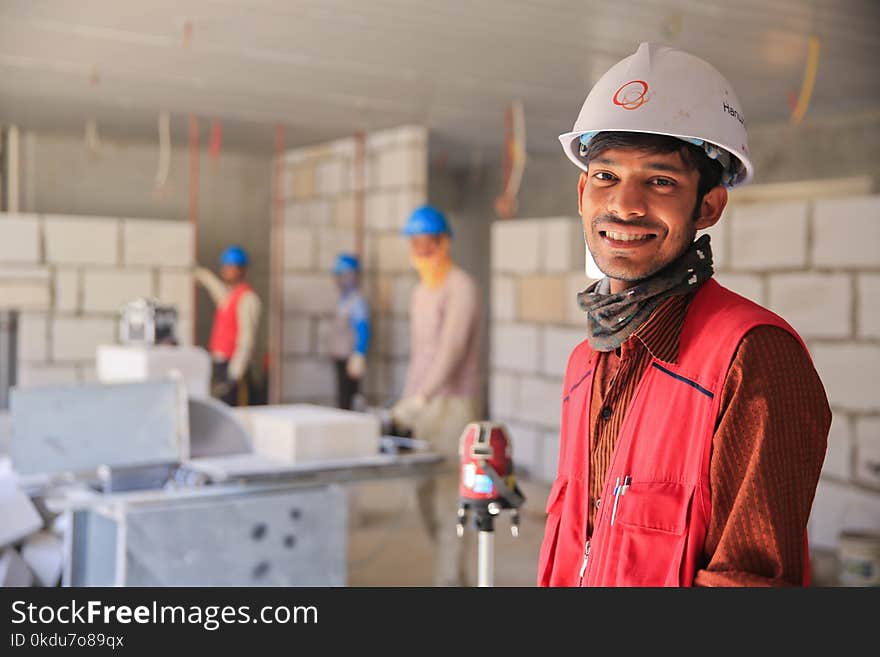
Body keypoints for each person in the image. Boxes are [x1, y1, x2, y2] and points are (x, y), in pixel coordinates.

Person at [537, 42, 831, 587]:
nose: (624, 205)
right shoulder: (585, 362)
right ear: (582, 192)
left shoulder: (754, 358)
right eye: (605, 176)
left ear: (709, 207)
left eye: (660, 181)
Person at [390, 205, 482, 587]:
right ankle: (455, 575)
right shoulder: (419, 292)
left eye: (429, 243)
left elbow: (451, 349)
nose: (423, 250)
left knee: (450, 501)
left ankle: (450, 582)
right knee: (423, 496)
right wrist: (407, 402)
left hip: (454, 405)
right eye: (416, 243)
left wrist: (422, 397)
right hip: (423, 406)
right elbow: (420, 354)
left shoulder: (461, 286)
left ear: (444, 243)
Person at [195, 245, 262, 407]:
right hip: (220, 364)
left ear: (241, 269)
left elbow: (247, 339)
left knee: (235, 413)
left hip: (234, 368)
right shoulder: (229, 295)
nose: (226, 270)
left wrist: (234, 373)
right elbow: (216, 288)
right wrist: (199, 273)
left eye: (231, 266)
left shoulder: (248, 299)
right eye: (225, 266)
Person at [330, 253, 370, 411]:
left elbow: (362, 328)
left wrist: (359, 354)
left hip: (350, 358)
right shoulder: (342, 300)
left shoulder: (357, 301)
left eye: (344, 275)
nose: (340, 280)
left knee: (349, 398)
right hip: (340, 357)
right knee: (342, 397)